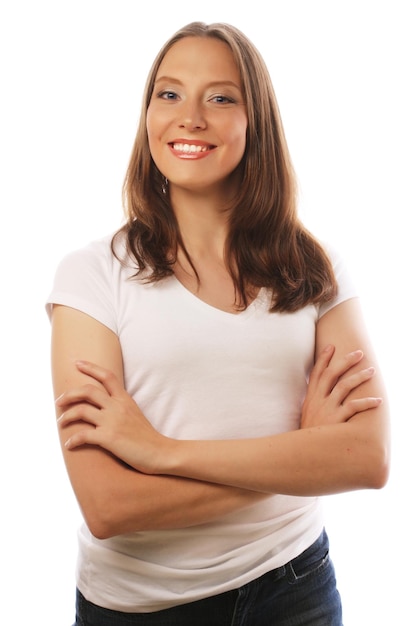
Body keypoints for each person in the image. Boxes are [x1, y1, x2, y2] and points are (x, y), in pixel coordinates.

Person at [47, 21, 390, 626]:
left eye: (221, 97)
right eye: (169, 94)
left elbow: (366, 457)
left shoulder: (315, 268)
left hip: (295, 587)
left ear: (255, 119)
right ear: (147, 114)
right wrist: (304, 459)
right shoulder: (91, 277)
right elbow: (109, 504)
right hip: (140, 608)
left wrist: (160, 452)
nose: (191, 117)